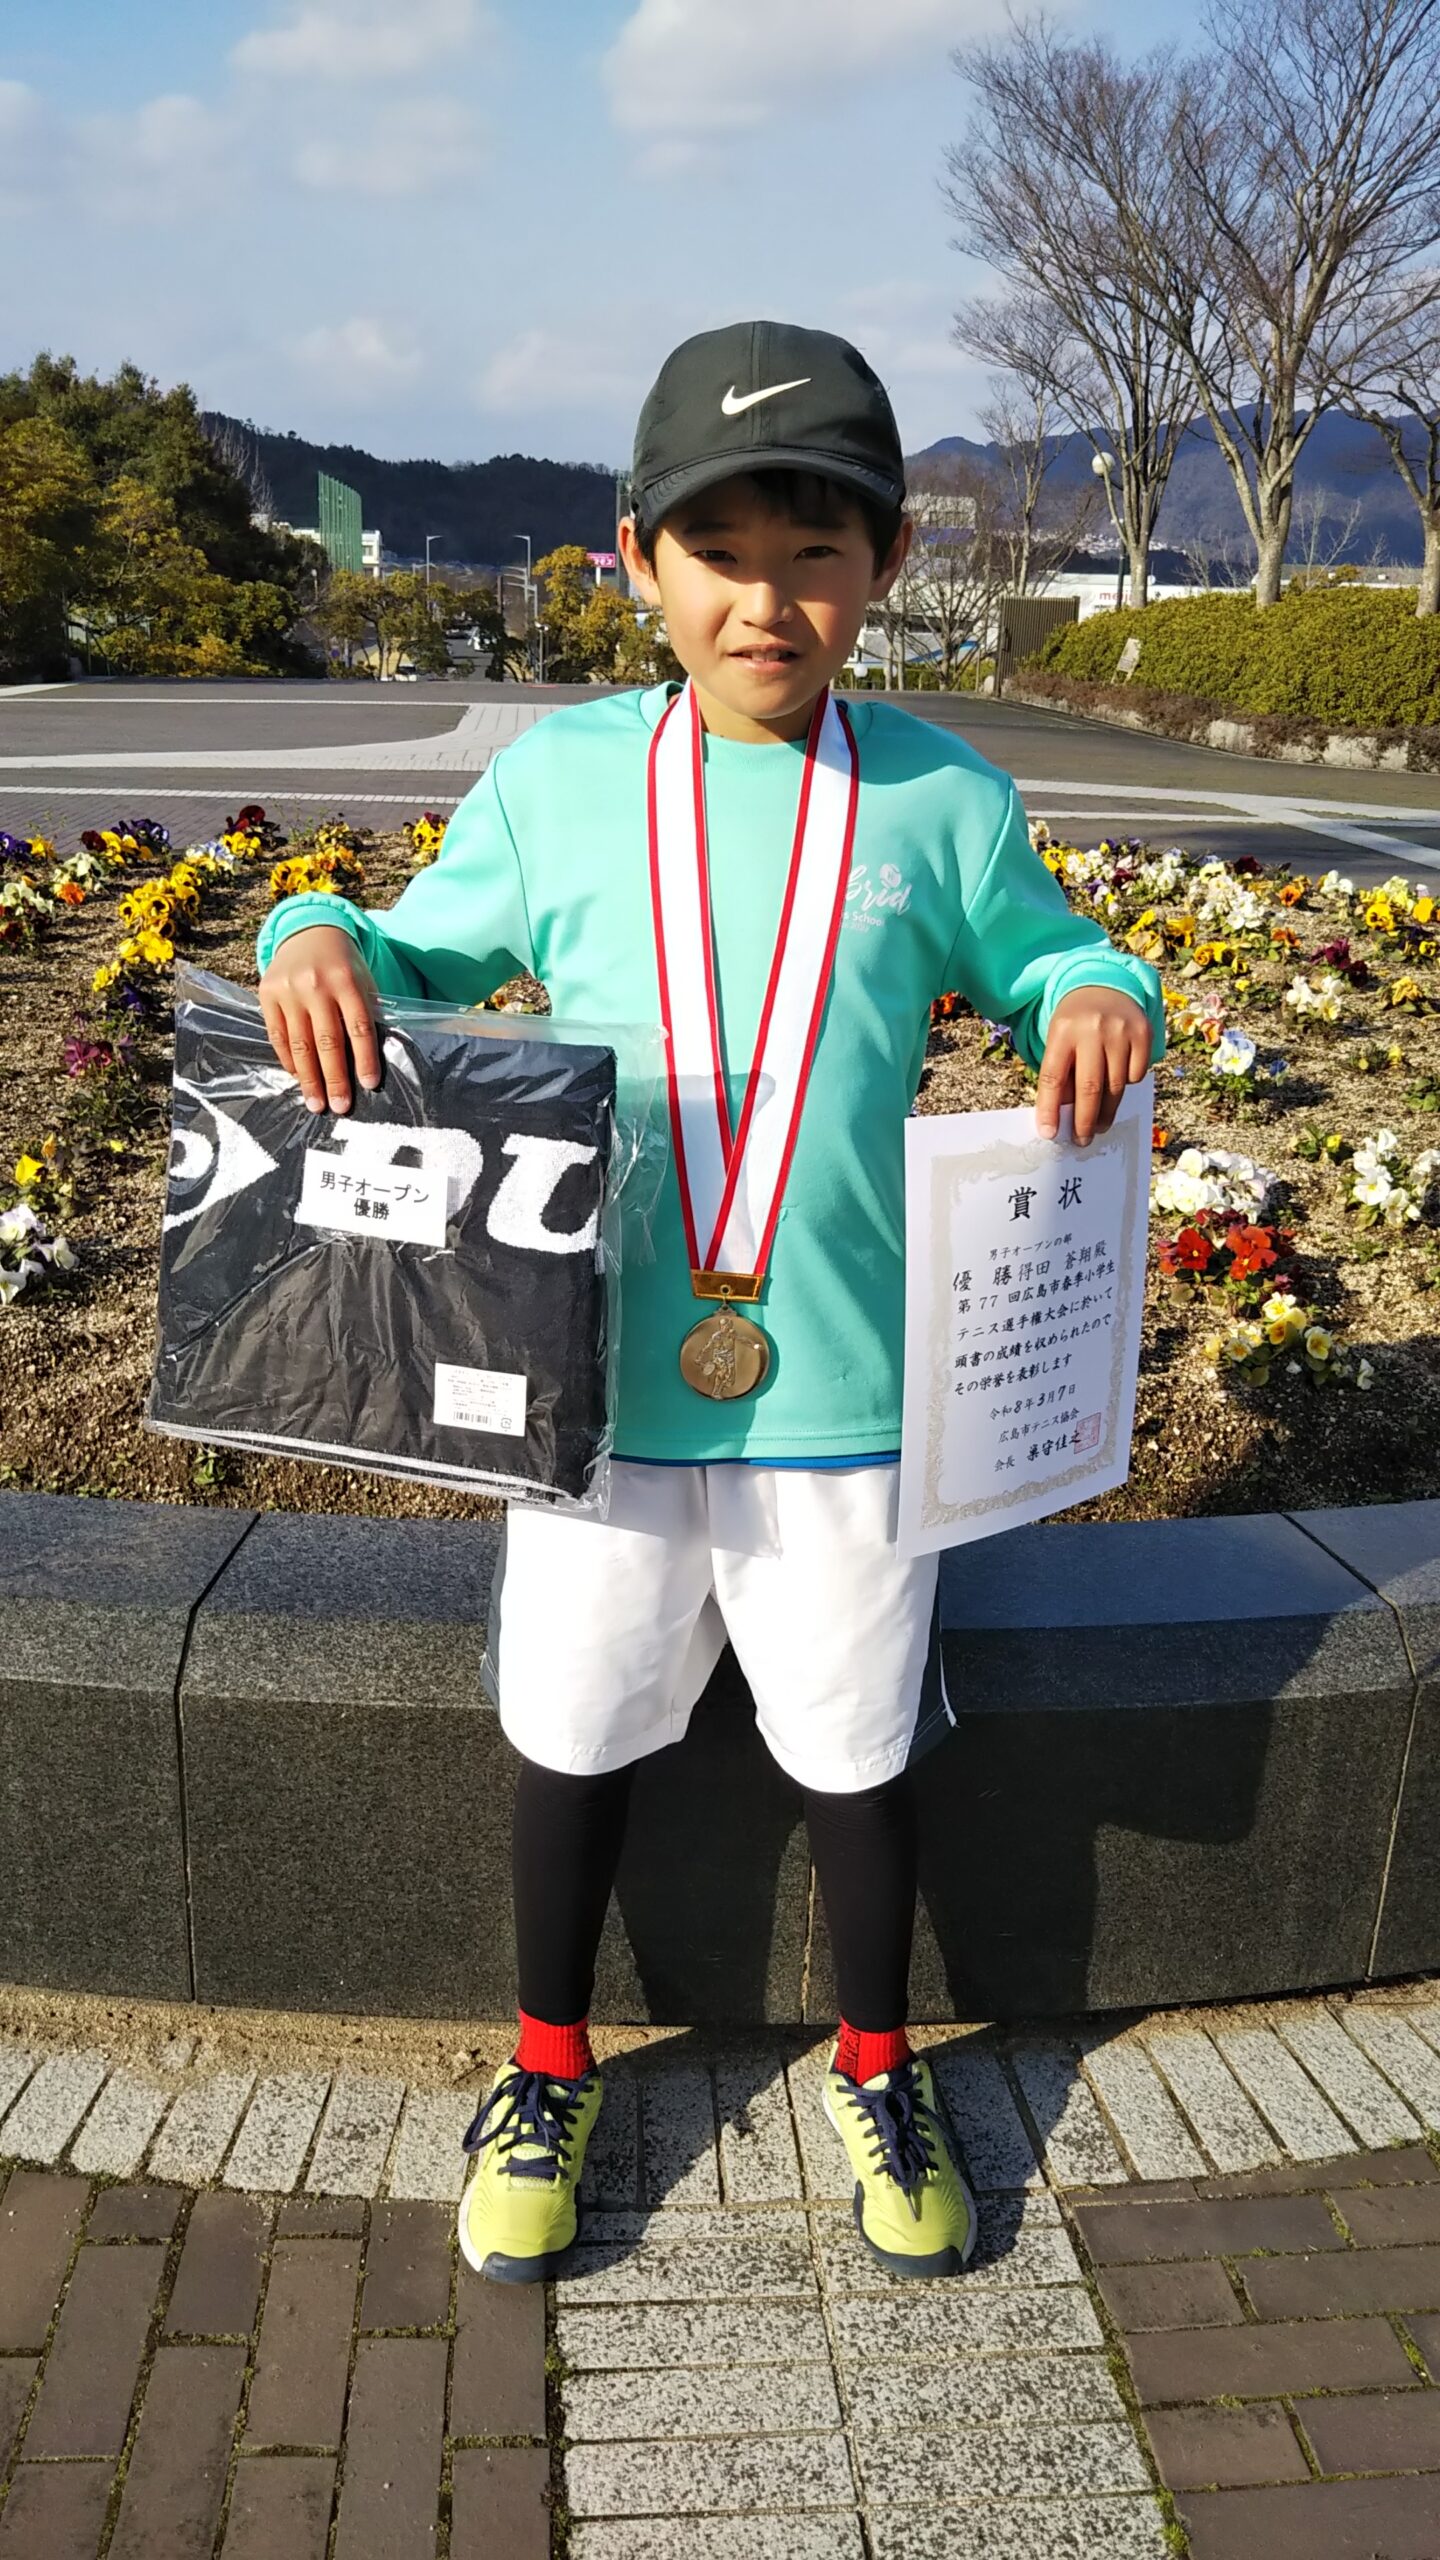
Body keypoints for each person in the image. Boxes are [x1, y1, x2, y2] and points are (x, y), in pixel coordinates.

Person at [255, 319, 1163, 2287]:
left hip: (843, 1392)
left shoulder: (939, 797)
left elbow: (1053, 958)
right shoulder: (566, 780)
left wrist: (1102, 992)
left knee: (857, 1750)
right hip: (585, 1386)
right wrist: (313, 930)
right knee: (572, 1731)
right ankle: (546, 2066)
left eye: (817, 549)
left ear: (888, 562)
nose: (769, 597)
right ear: (638, 559)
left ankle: (876, 2064)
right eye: (721, 550)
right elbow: (411, 945)